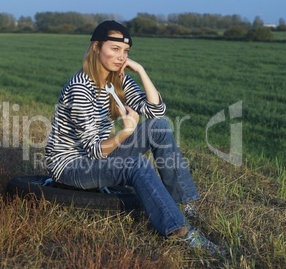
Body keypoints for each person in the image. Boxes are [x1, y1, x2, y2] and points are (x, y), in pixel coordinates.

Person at [45, 20, 226, 256]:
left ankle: (183, 205)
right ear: (96, 47)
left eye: (125, 51)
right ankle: (178, 231)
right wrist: (125, 133)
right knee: (137, 164)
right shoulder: (80, 88)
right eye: (115, 49)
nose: (121, 56)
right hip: (71, 166)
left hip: (97, 158)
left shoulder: (117, 81)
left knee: (159, 127)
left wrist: (140, 70)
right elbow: (94, 151)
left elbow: (156, 111)